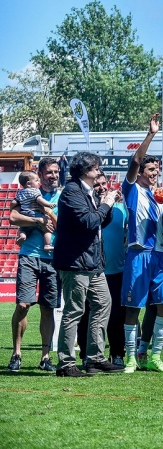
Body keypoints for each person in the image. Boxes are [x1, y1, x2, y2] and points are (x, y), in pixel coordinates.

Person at [53, 152, 123, 377]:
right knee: (74, 311)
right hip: (75, 262)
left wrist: (107, 206)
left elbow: (100, 221)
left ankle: (95, 358)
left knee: (104, 303)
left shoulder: (88, 192)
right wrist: (107, 203)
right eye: (96, 168)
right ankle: (66, 363)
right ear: (85, 171)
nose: (99, 171)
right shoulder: (72, 192)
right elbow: (89, 222)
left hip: (92, 262)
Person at [120, 114, 163, 374]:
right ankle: (130, 357)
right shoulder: (131, 189)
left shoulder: (158, 195)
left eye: (157, 171)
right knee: (134, 307)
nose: (155, 174)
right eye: (152, 170)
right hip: (138, 254)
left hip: (160, 256)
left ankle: (154, 356)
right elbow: (136, 160)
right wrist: (151, 134)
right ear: (140, 173)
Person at [8, 158, 61, 373]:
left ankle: (45, 356)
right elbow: (12, 216)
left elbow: (61, 225)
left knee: (48, 308)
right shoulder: (28, 193)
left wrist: (47, 214)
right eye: (49, 172)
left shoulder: (63, 195)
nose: (54, 176)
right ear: (39, 175)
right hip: (29, 255)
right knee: (23, 305)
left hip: (53, 258)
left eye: (56, 172)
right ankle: (16, 353)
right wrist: (37, 221)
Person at [93, 172, 128, 365]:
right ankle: (90, 356)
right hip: (93, 271)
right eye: (97, 184)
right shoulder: (88, 208)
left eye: (103, 183)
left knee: (117, 316)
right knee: (90, 316)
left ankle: (117, 354)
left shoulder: (122, 209)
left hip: (117, 271)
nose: (101, 187)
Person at [13, 171, 58, 250]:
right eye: (37, 180)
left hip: (24, 214)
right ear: (29, 184)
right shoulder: (35, 191)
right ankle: (47, 245)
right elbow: (39, 200)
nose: (38, 182)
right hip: (35, 214)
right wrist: (48, 205)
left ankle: (22, 235)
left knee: (23, 229)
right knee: (47, 228)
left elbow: (14, 202)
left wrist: (11, 206)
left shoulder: (20, 192)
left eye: (56, 172)